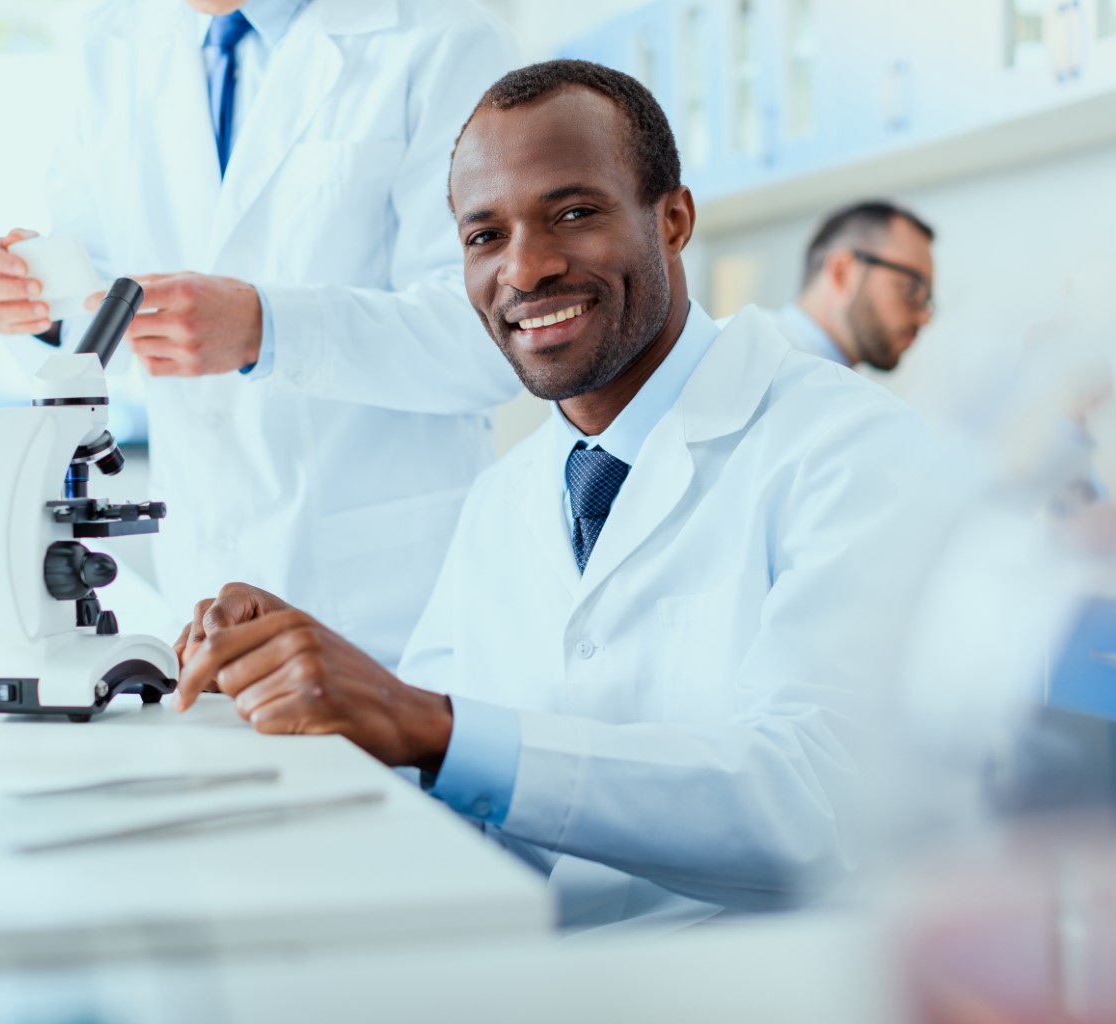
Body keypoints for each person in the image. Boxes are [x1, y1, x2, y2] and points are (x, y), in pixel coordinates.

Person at [170, 61, 940, 931]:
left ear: (674, 219)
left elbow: (819, 806)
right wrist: (293, 681)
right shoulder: (505, 497)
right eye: (483, 236)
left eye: (573, 213)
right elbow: (433, 773)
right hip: (544, 982)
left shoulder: (850, 448)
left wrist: (427, 725)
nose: (525, 269)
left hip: (768, 1003)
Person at [0, 0, 520, 670]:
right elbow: (99, 293)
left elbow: (492, 335)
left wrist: (270, 330)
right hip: (200, 588)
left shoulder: (446, 41)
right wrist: (39, 307)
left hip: (387, 609)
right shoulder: (115, 42)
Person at [775, 200, 936, 371]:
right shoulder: (760, 358)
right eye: (912, 289)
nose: (924, 318)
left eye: (927, 300)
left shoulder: (829, 380)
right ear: (842, 272)